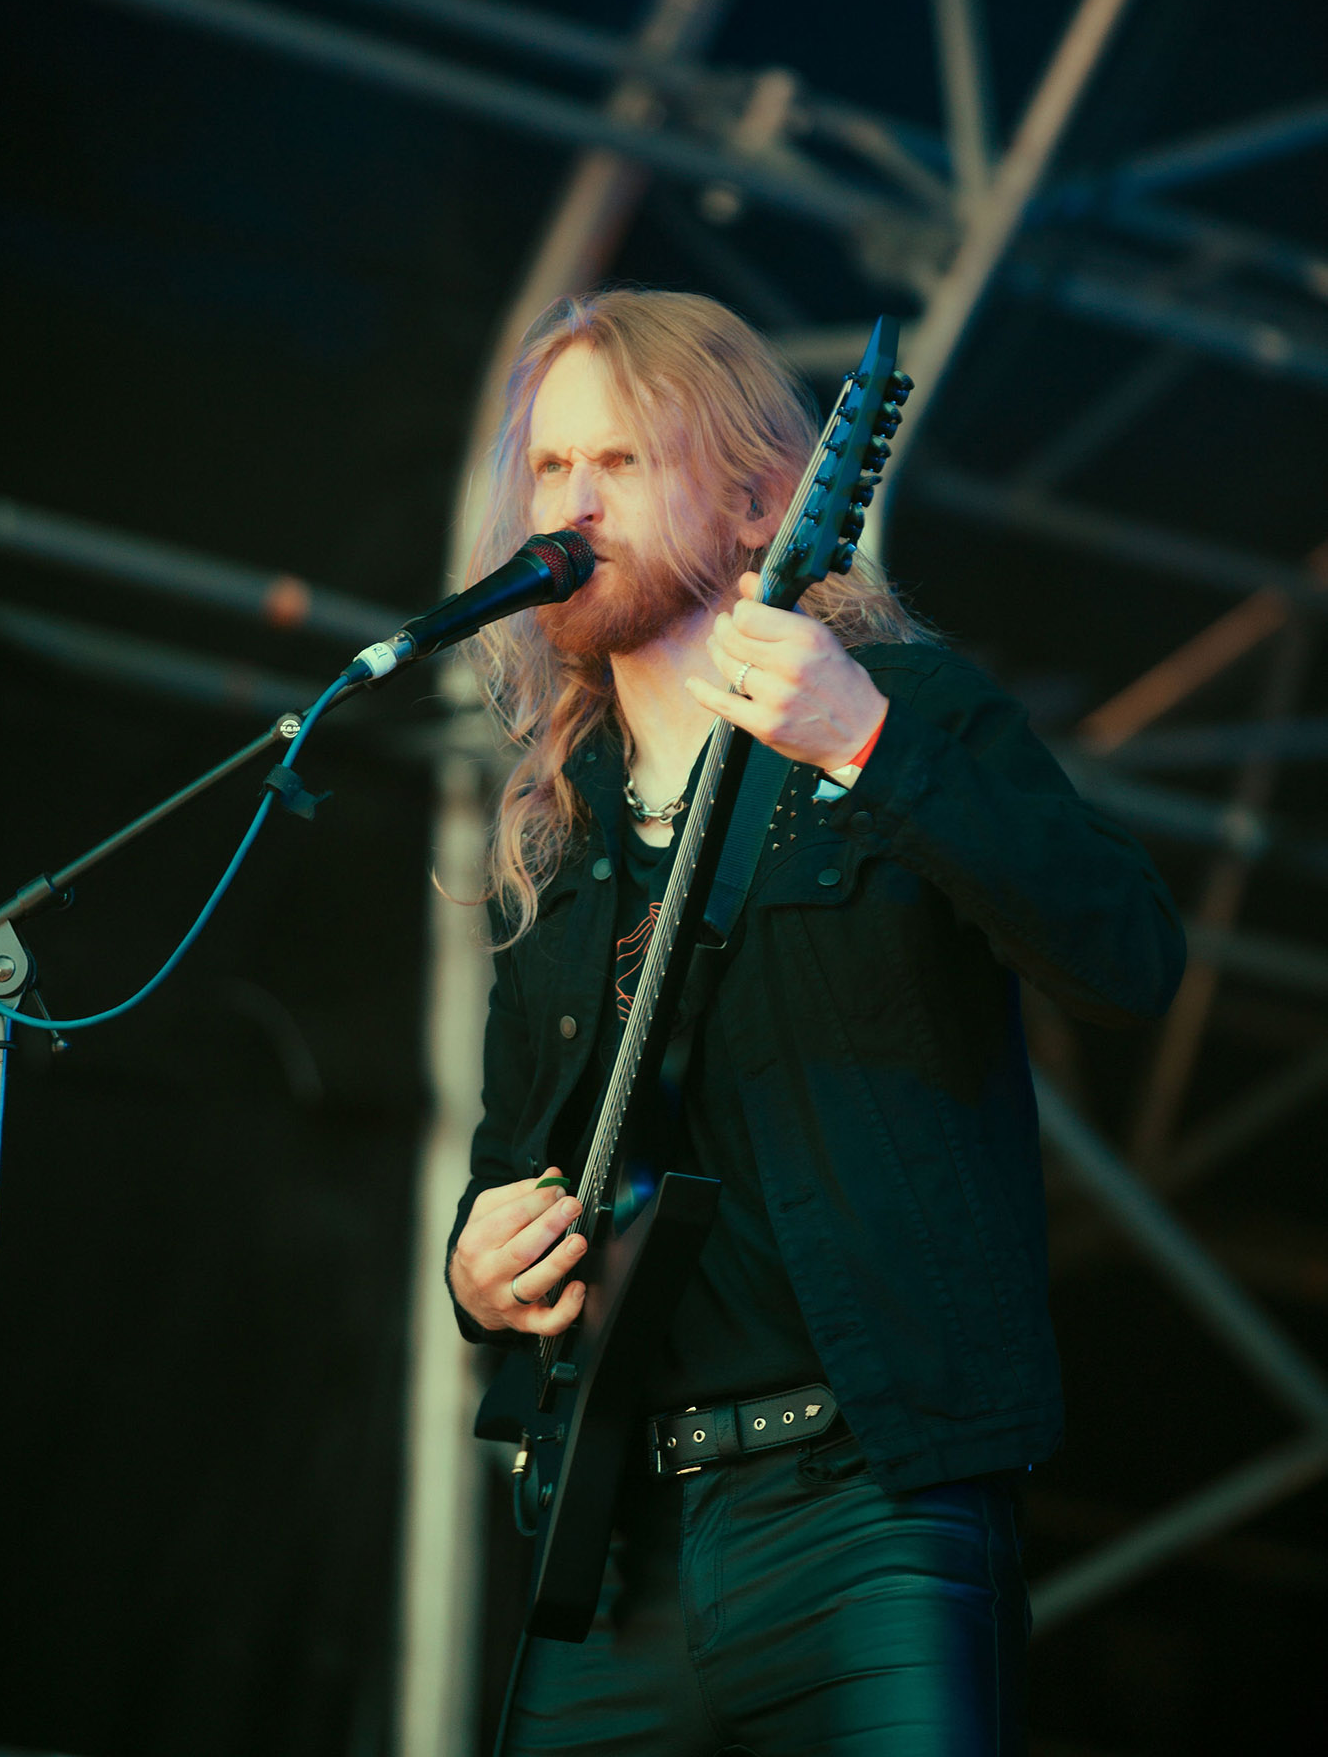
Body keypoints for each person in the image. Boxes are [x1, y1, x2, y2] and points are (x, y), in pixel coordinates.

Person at [446, 288, 1185, 1755]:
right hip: (615, 1542)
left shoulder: (906, 711)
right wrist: (479, 1270)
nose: (572, 504)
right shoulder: (558, 831)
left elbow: (1128, 960)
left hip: (868, 1505)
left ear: (752, 506)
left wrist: (869, 746)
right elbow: (508, 1159)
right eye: (552, 467)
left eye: (620, 463)